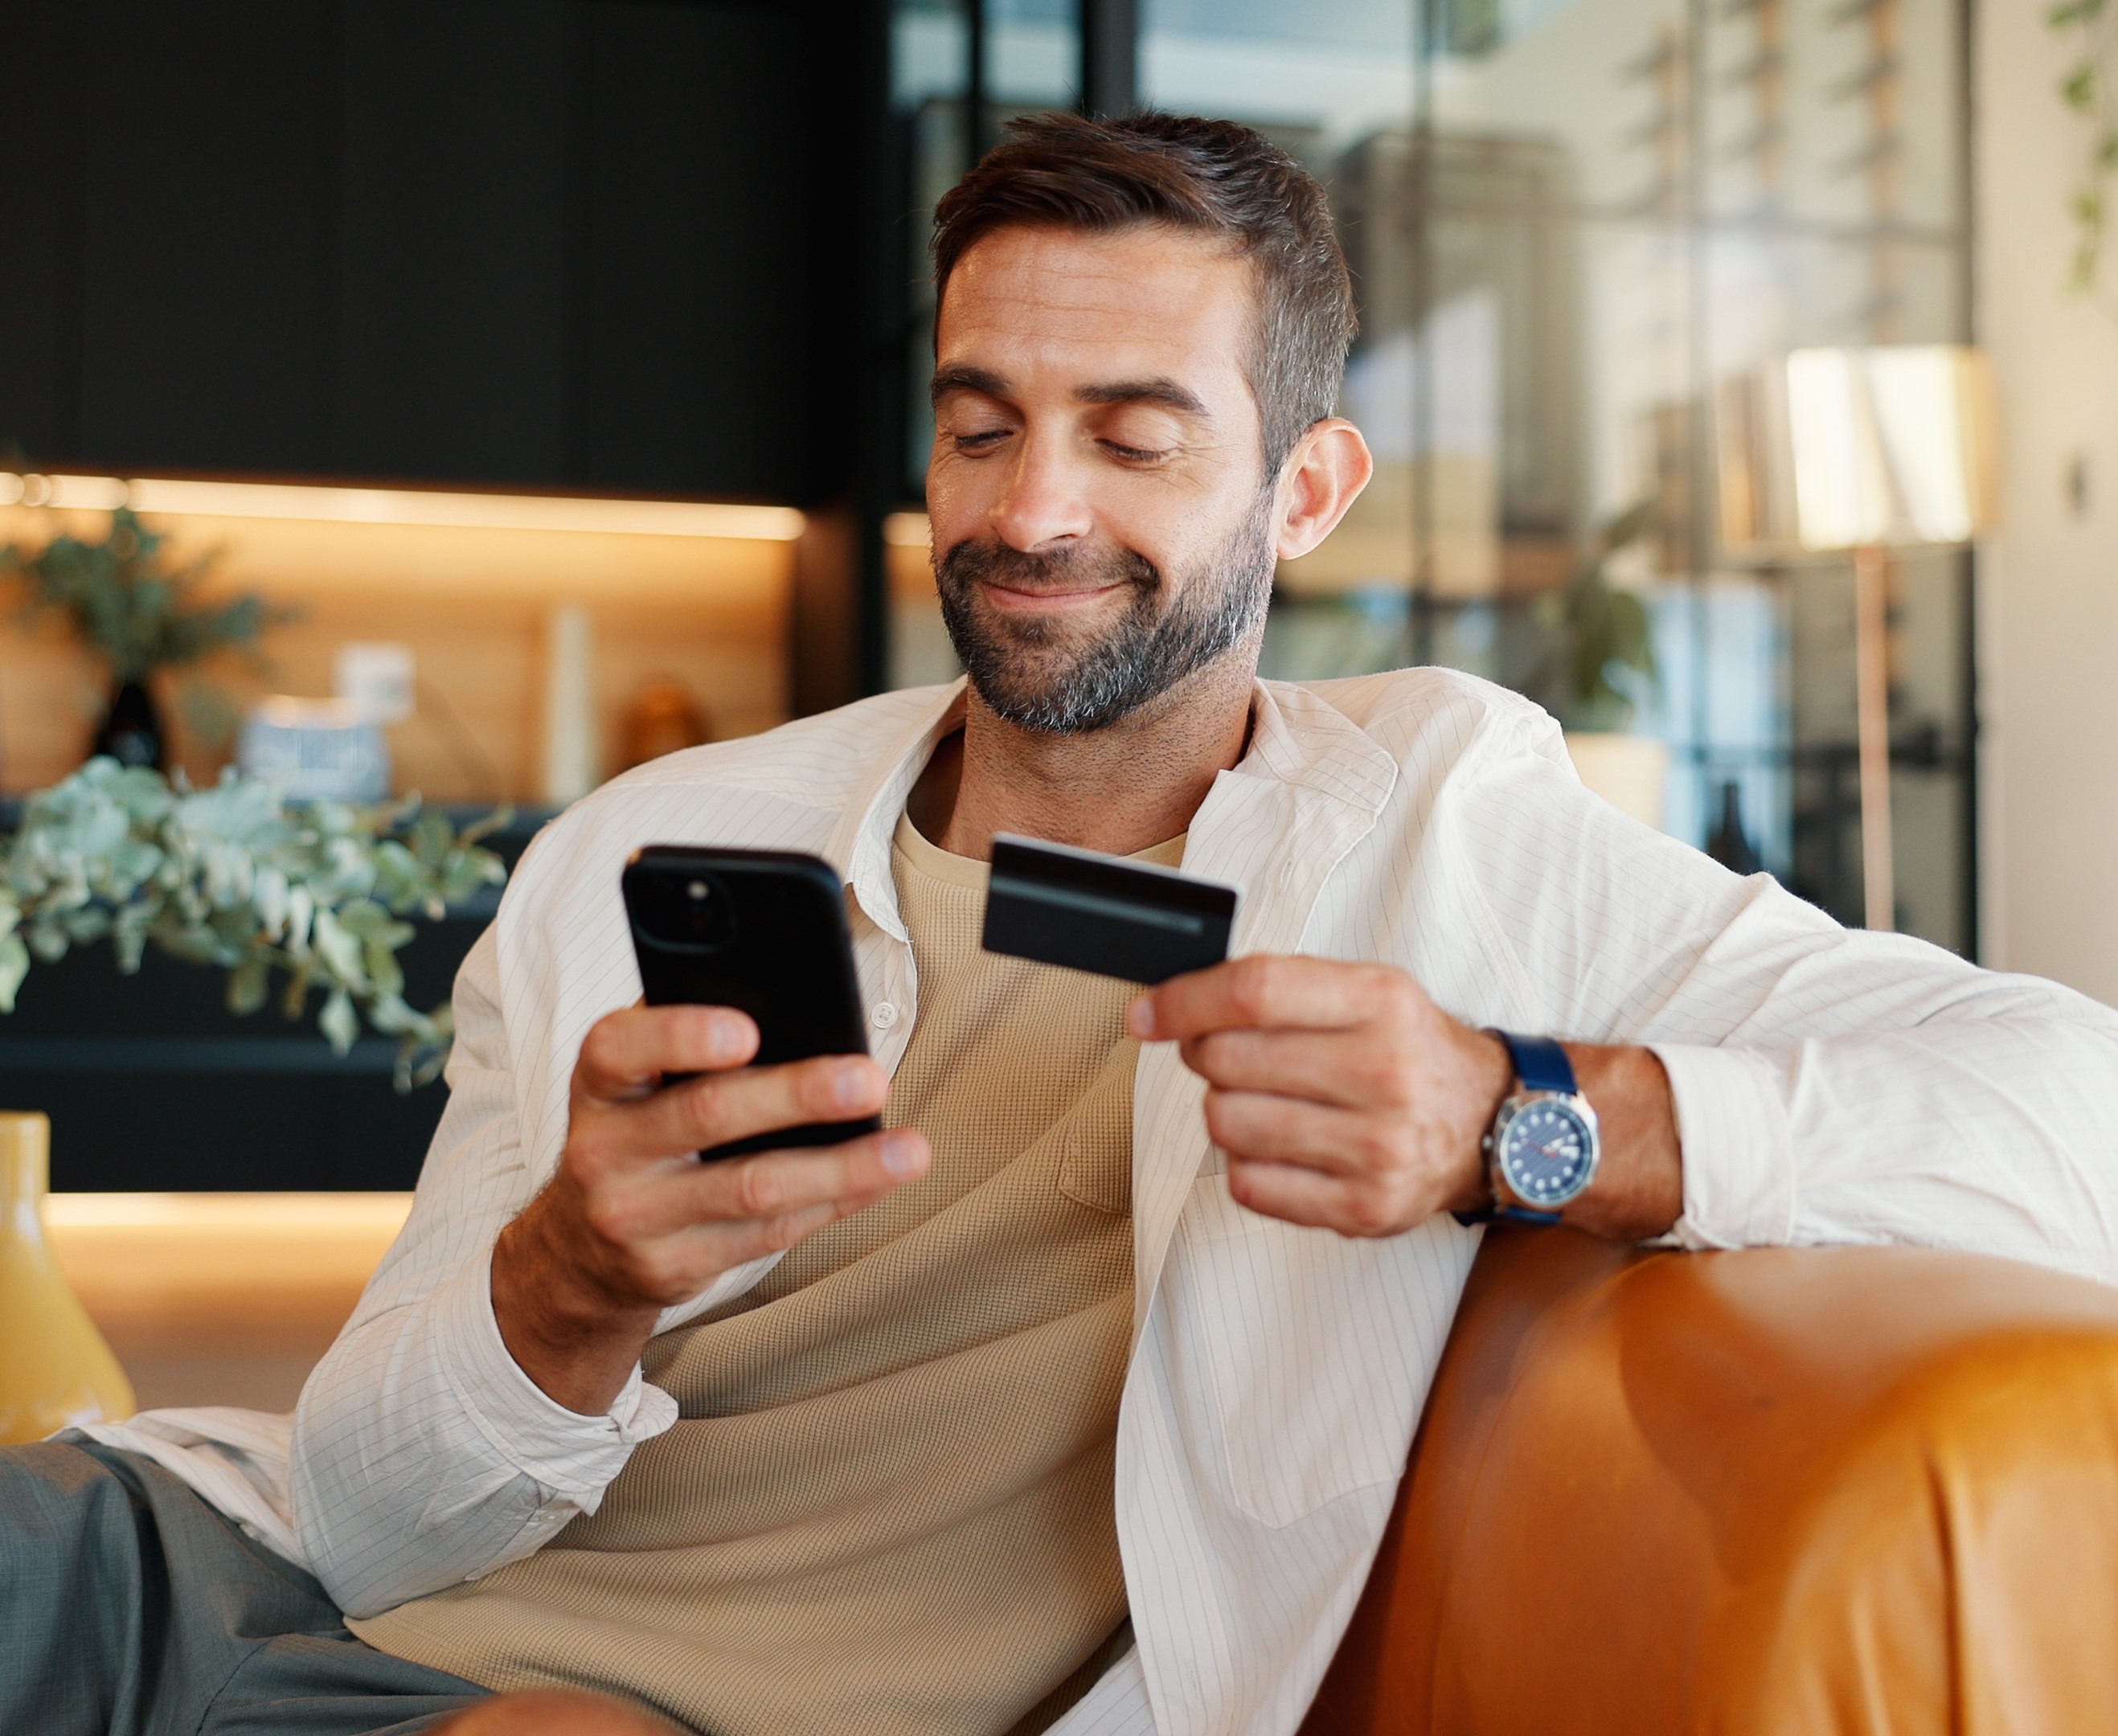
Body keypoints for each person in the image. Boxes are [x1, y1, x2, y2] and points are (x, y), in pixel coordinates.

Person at [7, 110, 2118, 1736]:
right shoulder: (652, 846)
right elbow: (371, 1517)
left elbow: (2075, 1112)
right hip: (206, 1575)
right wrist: (562, 1285)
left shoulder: (1449, 825)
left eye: (1132, 437)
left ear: (1303, 491)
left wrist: (1521, 1114)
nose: (1028, 513)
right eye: (981, 420)